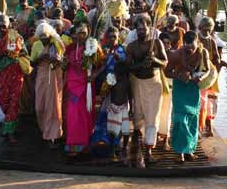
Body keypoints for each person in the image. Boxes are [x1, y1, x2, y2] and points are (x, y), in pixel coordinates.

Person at [126, 14, 167, 167]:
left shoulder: (157, 43)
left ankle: (149, 151)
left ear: (150, 27)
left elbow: (164, 63)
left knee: (153, 116)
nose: (141, 31)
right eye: (138, 28)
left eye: (144, 28)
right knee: (138, 116)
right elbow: (128, 66)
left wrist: (154, 60)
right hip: (137, 83)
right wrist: (142, 64)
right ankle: (136, 149)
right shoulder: (131, 46)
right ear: (135, 30)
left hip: (154, 83)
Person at [164, 31, 210, 162]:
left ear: (197, 43)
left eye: (192, 46)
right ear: (183, 44)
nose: (189, 49)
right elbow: (167, 72)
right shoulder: (176, 54)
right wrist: (179, 76)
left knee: (192, 119)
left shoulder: (203, 53)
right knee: (180, 119)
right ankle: (180, 152)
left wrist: (200, 76)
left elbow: (207, 70)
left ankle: (189, 150)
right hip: (180, 87)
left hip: (193, 87)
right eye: (187, 46)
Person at [64, 23, 103, 156]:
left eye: (83, 33)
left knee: (85, 113)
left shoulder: (93, 46)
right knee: (72, 114)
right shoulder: (70, 48)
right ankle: (72, 143)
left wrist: (94, 75)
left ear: (88, 32)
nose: (80, 36)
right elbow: (64, 66)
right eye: (78, 33)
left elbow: (101, 65)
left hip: (86, 85)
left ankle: (84, 143)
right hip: (72, 85)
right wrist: (63, 62)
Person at [0, 14, 28, 144]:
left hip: (16, 73)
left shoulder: (16, 37)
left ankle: (10, 132)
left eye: (3, 27)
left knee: (14, 102)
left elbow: (25, 53)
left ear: (9, 26)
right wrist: (4, 52)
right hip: (3, 73)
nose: (1, 30)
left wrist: (16, 51)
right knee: (4, 101)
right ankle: (8, 124)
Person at [30, 22, 65, 148]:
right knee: (40, 106)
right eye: (42, 37)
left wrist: (55, 60)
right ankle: (44, 130)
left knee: (53, 106)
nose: (44, 39)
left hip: (55, 74)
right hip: (42, 76)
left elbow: (62, 61)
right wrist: (41, 57)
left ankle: (52, 136)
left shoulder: (56, 43)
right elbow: (32, 63)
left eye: (46, 36)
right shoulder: (36, 45)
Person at [103, 27, 130, 164]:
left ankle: (121, 148)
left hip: (121, 89)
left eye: (115, 36)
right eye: (110, 36)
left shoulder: (122, 50)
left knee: (123, 124)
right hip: (109, 86)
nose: (112, 39)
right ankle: (110, 146)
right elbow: (102, 67)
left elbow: (127, 65)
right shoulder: (104, 51)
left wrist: (118, 58)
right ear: (107, 38)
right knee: (109, 121)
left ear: (118, 37)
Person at [197, 16, 220, 136]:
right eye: (204, 30)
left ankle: (209, 127)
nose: (206, 32)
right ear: (199, 28)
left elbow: (217, 59)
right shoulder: (196, 40)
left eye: (209, 30)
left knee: (211, 102)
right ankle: (200, 127)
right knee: (201, 102)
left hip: (211, 75)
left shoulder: (212, 41)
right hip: (199, 74)